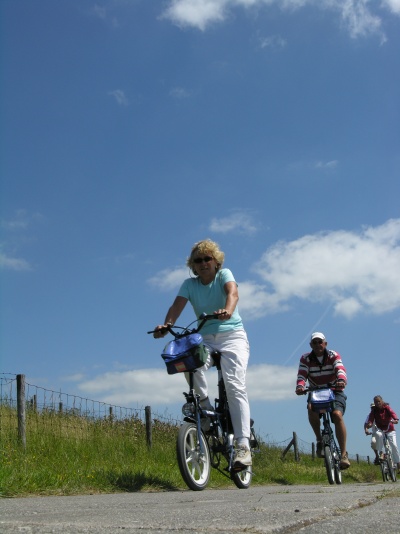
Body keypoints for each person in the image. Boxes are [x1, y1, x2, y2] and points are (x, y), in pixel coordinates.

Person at [153, 239, 252, 470]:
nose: (204, 263)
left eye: (208, 259)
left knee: (234, 384)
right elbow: (176, 307)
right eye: (198, 261)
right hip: (205, 338)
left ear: (216, 262)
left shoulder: (224, 274)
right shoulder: (189, 284)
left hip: (232, 336)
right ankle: (206, 411)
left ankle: (242, 445)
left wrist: (228, 310)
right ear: (193, 266)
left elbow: (233, 293)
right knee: (188, 363)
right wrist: (167, 325)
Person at [295, 332, 350, 469]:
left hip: (334, 390)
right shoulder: (305, 358)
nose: (318, 345)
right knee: (310, 409)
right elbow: (302, 375)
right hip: (316, 392)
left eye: (320, 342)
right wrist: (300, 386)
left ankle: (343, 454)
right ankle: (319, 439)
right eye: (315, 342)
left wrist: (341, 380)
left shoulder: (333, 355)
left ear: (325, 344)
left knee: (337, 415)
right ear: (311, 345)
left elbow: (340, 369)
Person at [365, 395, 400, 473]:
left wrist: (396, 420)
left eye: (379, 401)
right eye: (376, 402)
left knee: (394, 445)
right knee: (378, 435)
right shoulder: (373, 411)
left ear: (382, 401)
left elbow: (393, 413)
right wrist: (370, 424)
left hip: (389, 429)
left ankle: (398, 464)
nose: (377, 403)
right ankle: (381, 453)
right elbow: (370, 419)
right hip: (380, 429)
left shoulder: (386, 408)